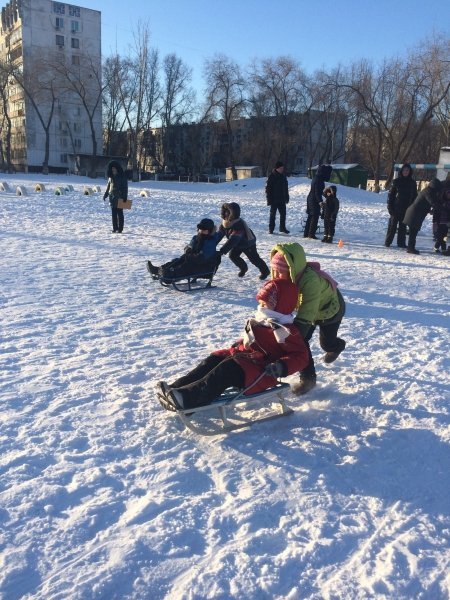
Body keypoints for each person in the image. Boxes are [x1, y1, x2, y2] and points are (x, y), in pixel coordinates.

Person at [157, 278, 310, 410]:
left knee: (225, 371)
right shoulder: (262, 319)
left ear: (280, 305)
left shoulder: (287, 330)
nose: (262, 305)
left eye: (267, 302)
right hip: (246, 360)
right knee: (212, 361)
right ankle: (177, 388)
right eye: (261, 301)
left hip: (262, 371)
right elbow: (251, 341)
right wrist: (236, 347)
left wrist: (281, 366)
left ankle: (187, 400)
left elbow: (301, 356)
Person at [269, 242, 346, 395]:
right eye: (275, 271)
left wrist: (293, 337)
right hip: (310, 312)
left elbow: (307, 312)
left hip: (330, 311)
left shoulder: (310, 281)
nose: (277, 276)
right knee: (301, 343)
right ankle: (308, 378)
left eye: (281, 272)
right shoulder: (287, 280)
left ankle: (337, 346)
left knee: (326, 343)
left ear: (292, 269)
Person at [147, 218, 221, 278]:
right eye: (200, 229)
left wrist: (190, 256)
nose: (201, 231)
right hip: (194, 261)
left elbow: (202, 258)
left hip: (205, 267)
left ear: (210, 231)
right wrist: (188, 250)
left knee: (186, 265)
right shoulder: (196, 238)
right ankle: (159, 270)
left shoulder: (210, 242)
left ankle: (169, 275)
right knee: (179, 260)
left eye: (204, 230)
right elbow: (189, 246)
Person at [218, 202, 270, 279]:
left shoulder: (238, 225)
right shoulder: (225, 224)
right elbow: (219, 235)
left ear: (233, 214)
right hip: (237, 244)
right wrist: (211, 242)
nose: (225, 214)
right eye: (225, 211)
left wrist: (222, 251)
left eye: (228, 212)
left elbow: (233, 239)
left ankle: (265, 271)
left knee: (254, 259)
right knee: (233, 256)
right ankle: (243, 268)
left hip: (247, 243)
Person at [403, 178, 443, 255]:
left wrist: (430, 210)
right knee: (413, 232)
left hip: (415, 213)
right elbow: (432, 202)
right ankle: (410, 248)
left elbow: (423, 203)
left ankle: (410, 248)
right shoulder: (428, 192)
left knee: (413, 231)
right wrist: (441, 209)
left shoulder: (428, 191)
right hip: (414, 213)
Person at [385, 163, 417, 248]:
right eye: (404, 170)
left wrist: (413, 208)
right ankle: (388, 242)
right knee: (392, 227)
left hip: (407, 208)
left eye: (407, 170)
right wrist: (390, 207)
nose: (405, 172)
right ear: (401, 171)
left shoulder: (412, 183)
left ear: (410, 172)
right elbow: (391, 196)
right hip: (396, 208)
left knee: (403, 227)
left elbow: (415, 196)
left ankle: (401, 243)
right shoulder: (396, 181)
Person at [304, 164, 333, 239]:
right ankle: (311, 234)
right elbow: (317, 192)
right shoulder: (318, 180)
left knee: (311, 216)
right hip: (314, 199)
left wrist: (325, 194)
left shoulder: (317, 178)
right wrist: (320, 201)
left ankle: (306, 233)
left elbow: (318, 191)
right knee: (314, 216)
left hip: (311, 198)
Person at [103, 160, 128, 233]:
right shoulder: (110, 177)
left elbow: (125, 188)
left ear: (117, 168)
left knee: (120, 213)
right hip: (112, 198)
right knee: (113, 214)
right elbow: (108, 187)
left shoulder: (122, 177)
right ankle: (115, 228)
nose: (113, 169)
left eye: (114, 168)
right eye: (112, 168)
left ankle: (120, 229)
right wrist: (106, 194)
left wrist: (125, 197)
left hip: (120, 197)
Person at [265, 160, 290, 234]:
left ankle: (282, 228)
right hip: (274, 199)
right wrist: (269, 199)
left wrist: (287, 197)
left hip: (282, 199)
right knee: (273, 215)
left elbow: (286, 188)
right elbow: (268, 189)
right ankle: (271, 229)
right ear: (277, 168)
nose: (282, 169)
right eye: (281, 168)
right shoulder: (272, 176)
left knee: (283, 214)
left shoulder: (283, 176)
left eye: (283, 168)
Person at [432, 180, 450, 254]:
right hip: (439, 222)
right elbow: (435, 212)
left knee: (444, 237)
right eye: (448, 194)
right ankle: (436, 247)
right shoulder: (440, 202)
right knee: (440, 237)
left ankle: (443, 249)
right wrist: (435, 222)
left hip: (446, 223)